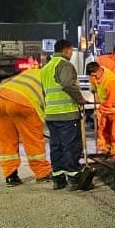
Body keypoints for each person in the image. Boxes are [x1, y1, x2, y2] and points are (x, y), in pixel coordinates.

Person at [41, 40, 87, 191]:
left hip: (51, 114)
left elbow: (44, 91)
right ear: (67, 50)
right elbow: (67, 84)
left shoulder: (46, 68)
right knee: (71, 146)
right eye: (71, 51)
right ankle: (74, 178)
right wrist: (80, 99)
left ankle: (58, 178)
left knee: (56, 146)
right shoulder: (65, 65)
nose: (72, 54)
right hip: (66, 113)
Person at [0, 68, 51, 186]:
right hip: (24, 102)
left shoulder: (31, 72)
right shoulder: (50, 77)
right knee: (32, 139)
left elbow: (5, 81)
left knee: (6, 141)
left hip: (1, 99)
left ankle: (10, 176)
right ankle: (42, 172)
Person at [87, 62, 115, 161]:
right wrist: (93, 89)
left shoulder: (111, 81)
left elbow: (111, 101)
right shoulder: (94, 76)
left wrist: (99, 110)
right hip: (106, 104)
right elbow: (94, 85)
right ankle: (106, 148)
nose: (94, 77)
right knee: (103, 127)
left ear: (99, 70)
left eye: (95, 75)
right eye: (91, 76)